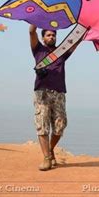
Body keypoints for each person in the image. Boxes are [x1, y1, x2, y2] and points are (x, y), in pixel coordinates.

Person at [29, 24, 75, 171]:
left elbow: (75, 42)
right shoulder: (38, 50)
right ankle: (47, 158)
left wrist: (86, 29)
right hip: (42, 92)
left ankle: (49, 149)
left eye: (53, 35)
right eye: (48, 35)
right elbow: (31, 31)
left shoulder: (61, 52)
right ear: (43, 38)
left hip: (59, 93)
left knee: (60, 125)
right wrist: (38, 17)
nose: (51, 37)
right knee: (42, 124)